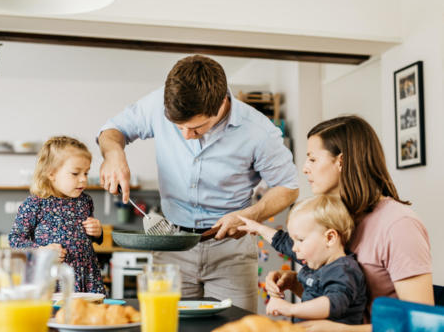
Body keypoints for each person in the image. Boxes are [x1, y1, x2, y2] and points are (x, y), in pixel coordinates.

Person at [97, 54, 299, 311]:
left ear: (221, 104)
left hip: (230, 249)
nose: (186, 136)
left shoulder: (259, 131)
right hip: (171, 244)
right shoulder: (158, 103)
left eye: (197, 128)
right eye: (177, 127)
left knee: (234, 329)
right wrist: (114, 155)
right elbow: (112, 130)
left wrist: (249, 215)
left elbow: (288, 187)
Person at [265, 115, 433, 331]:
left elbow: (421, 325)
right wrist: (295, 283)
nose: (305, 168)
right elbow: (345, 301)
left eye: (313, 159)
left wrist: (345, 331)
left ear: (341, 162)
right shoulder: (339, 218)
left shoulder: (399, 225)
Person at [239, 195, 366, 324]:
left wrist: (290, 308)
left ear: (330, 238)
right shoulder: (316, 260)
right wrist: (258, 228)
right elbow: (283, 242)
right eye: (294, 241)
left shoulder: (343, 270)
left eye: (300, 240)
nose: (294, 248)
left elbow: (333, 303)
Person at [9, 136, 105, 294]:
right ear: (51, 174)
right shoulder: (35, 204)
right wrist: (41, 251)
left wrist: (97, 232)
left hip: (86, 278)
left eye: (86, 173)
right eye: (75, 173)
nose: (83, 179)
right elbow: (15, 240)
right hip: (52, 278)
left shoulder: (85, 201)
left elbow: (88, 237)